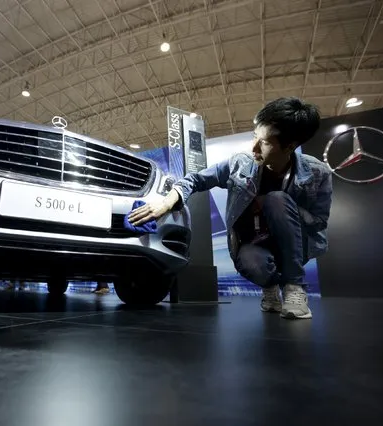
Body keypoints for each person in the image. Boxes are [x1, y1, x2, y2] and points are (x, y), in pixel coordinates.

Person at [128, 97, 333, 320]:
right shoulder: (240, 163)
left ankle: (294, 287)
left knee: (277, 199)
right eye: (255, 136)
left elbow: (319, 221)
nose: (253, 147)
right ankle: (271, 287)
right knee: (253, 263)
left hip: (295, 244)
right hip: (254, 244)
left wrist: (282, 208)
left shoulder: (317, 173)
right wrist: (167, 202)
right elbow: (196, 180)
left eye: (264, 142)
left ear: (290, 146)